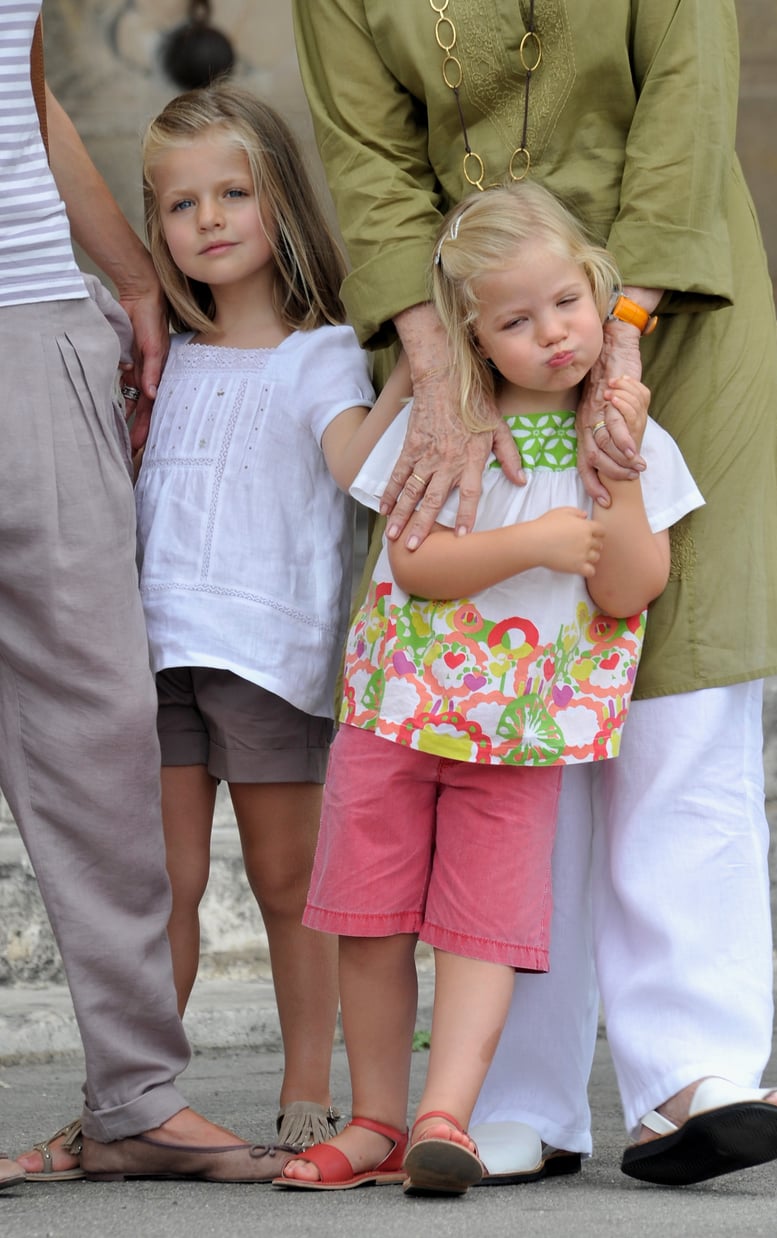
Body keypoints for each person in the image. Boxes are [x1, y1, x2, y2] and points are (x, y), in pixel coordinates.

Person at [291, 0, 777, 1186]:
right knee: (502, 725)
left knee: (682, 695)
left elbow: (685, 97)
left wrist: (619, 332)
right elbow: (368, 155)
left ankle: (696, 1072)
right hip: (475, 326)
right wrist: (442, 359)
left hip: (662, 297)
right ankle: (513, 1094)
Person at [273, 181, 703, 1196]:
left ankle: (445, 1116)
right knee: (370, 916)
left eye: (566, 303)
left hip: (522, 731)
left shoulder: (635, 445)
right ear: (472, 334)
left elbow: (634, 585)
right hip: (397, 709)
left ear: (599, 292)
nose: (553, 334)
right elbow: (416, 563)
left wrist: (623, 466)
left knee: (481, 927)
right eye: (516, 319)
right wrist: (537, 541)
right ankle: (375, 1115)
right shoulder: (449, 424)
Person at [3, 1, 301, 1184]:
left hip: (33, 310)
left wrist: (128, 279)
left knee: (100, 713)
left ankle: (133, 1095)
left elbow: (22, 86)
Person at [133, 82, 387, 1151]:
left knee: (290, 879)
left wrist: (417, 370)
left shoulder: (320, 355)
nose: (210, 220)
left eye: (233, 192)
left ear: (278, 197)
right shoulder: (160, 354)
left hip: (267, 654)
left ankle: (304, 1083)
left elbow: (360, 470)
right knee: (160, 883)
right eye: (181, 204)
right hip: (151, 649)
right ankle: (138, 1091)